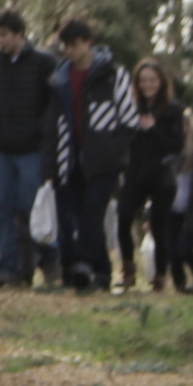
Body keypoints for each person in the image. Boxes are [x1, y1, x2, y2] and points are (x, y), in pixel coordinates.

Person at [47, 19, 138, 293]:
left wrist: (112, 150)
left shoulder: (112, 74)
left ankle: (83, 265)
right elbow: (55, 120)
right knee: (82, 215)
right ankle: (101, 274)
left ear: (88, 42)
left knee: (92, 212)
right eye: (67, 46)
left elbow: (129, 120)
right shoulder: (60, 78)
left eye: (76, 45)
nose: (71, 51)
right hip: (70, 158)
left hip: (103, 160)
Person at [0, 10, 62, 287]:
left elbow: (52, 106)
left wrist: (45, 140)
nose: (0, 41)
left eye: (4, 35)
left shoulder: (43, 63)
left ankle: (50, 261)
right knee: (2, 208)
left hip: (32, 148)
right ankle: (8, 269)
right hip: (1, 149)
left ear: (18, 33)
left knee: (32, 206)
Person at [119, 58, 193, 292]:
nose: (147, 85)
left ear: (161, 82)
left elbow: (175, 146)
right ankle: (128, 270)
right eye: (143, 81)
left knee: (159, 228)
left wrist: (153, 129)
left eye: (152, 80)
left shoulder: (173, 110)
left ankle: (160, 276)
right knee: (123, 219)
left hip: (162, 175)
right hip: (135, 173)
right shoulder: (130, 109)